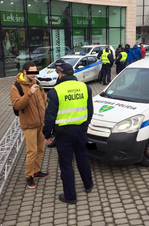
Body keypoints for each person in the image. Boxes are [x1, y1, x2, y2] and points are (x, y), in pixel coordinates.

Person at [43, 63, 94, 204]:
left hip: (64, 134)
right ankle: (88, 185)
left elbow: (50, 117)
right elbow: (90, 111)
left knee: (66, 164)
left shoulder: (55, 91)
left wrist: (46, 134)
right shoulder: (85, 87)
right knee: (83, 158)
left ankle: (70, 196)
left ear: (61, 74)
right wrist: (85, 125)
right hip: (81, 131)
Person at [10, 61, 50, 189]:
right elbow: (17, 105)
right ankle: (29, 176)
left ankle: (36, 171)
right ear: (25, 72)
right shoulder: (16, 87)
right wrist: (29, 93)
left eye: (35, 71)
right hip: (29, 125)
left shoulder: (37, 83)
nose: (34, 74)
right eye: (32, 72)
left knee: (40, 150)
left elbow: (44, 99)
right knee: (31, 152)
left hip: (41, 124)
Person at [46, 59, 78, 149]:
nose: (57, 68)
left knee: (65, 156)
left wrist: (47, 133)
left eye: (58, 67)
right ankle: (56, 141)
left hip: (66, 122)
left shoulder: (68, 78)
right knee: (81, 155)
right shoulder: (62, 75)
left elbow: (50, 115)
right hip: (76, 127)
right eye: (56, 66)